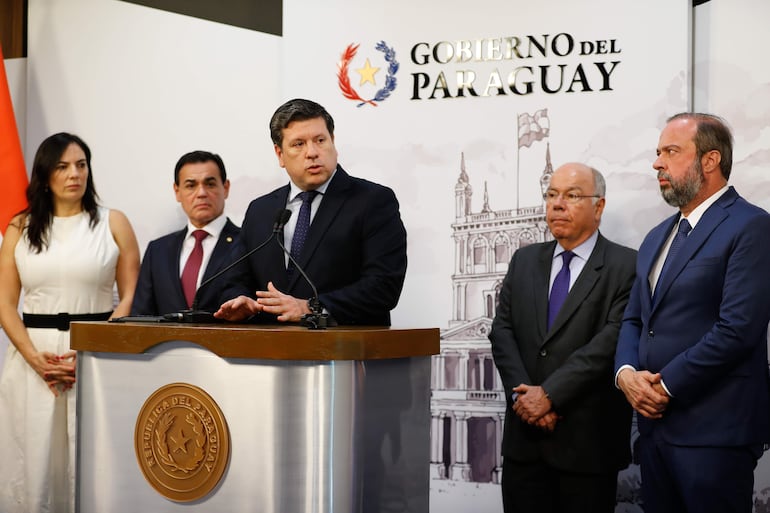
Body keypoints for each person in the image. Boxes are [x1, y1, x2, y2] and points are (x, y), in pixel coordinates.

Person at [614, 113, 770, 513]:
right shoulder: (655, 237)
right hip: (653, 434)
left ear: (710, 161)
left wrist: (663, 388)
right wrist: (627, 375)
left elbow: (738, 329)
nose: (657, 163)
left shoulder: (751, 226)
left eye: (671, 151)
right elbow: (635, 320)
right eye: (657, 153)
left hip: (715, 435)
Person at [0, 132, 140, 513]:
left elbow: (129, 297)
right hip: (34, 359)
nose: (74, 174)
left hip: (94, 358)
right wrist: (34, 358)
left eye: (81, 164)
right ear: (45, 175)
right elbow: (5, 304)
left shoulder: (114, 222)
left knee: (92, 456)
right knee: (34, 459)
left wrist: (93, 350)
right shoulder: (20, 228)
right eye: (62, 166)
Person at [489, 163, 636, 513]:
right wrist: (527, 400)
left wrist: (550, 396)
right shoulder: (524, 260)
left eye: (571, 196)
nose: (557, 204)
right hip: (525, 446)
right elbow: (502, 331)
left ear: (598, 207)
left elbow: (610, 343)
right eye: (552, 195)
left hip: (587, 447)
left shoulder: (626, 265)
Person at [215, 98, 407, 325]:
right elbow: (233, 280)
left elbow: (383, 286)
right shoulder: (261, 210)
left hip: (344, 349)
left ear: (333, 142)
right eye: (298, 144)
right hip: (268, 350)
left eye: (320, 140)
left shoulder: (373, 201)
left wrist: (311, 307)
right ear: (280, 155)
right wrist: (240, 300)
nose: (312, 152)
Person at [131, 150, 240, 316]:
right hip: (167, 342)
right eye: (191, 185)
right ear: (177, 192)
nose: (201, 193)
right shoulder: (157, 251)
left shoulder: (248, 244)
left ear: (225, 188)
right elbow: (140, 317)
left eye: (210, 184)